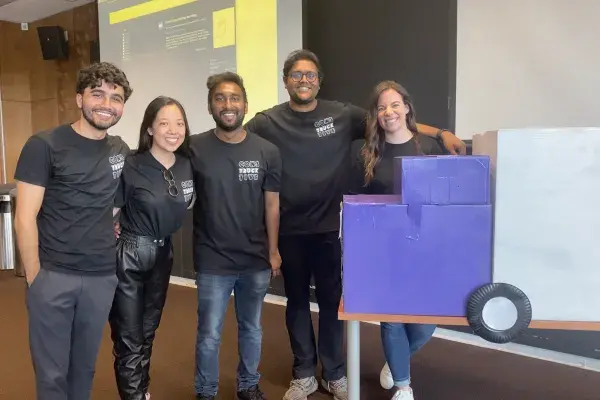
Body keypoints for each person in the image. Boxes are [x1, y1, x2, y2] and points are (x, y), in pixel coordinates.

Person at [244, 49, 465, 400]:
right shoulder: (266, 121)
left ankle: (333, 373)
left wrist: (441, 133)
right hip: (290, 229)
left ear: (319, 80)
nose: (304, 81)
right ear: (286, 80)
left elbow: (392, 120)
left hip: (330, 227)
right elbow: (237, 140)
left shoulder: (341, 114)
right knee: (297, 302)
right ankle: (303, 374)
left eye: (310, 75)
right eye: (297, 75)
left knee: (333, 304)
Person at [13, 62, 133, 400]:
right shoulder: (44, 145)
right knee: (51, 374)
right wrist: (36, 277)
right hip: (53, 275)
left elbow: (113, 204)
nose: (106, 104)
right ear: (79, 98)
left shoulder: (120, 150)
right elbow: (24, 217)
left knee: (84, 368)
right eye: (98, 94)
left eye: (116, 98)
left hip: (101, 276)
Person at [190, 72, 282, 400]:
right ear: (210, 105)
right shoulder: (194, 146)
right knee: (210, 334)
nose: (228, 105)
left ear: (244, 104)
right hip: (213, 259)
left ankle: (248, 386)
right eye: (220, 98)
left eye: (234, 98)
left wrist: (273, 251)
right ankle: (206, 392)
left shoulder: (267, 151)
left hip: (255, 258)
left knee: (252, 328)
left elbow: (272, 204)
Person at [349, 80, 443, 400]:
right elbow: (358, 205)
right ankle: (404, 386)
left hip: (424, 250)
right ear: (376, 116)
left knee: (425, 324)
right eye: (381, 107)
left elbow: (442, 200)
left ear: (406, 108)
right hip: (383, 251)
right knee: (391, 320)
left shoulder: (428, 148)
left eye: (394, 104)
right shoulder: (367, 153)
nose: (388, 112)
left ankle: (396, 360)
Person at [109, 96, 194, 400]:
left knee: (147, 333)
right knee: (129, 339)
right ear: (149, 129)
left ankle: (141, 391)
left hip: (162, 256)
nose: (173, 130)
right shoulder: (132, 164)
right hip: (130, 254)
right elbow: (111, 213)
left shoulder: (186, 164)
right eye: (164, 123)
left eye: (180, 123)